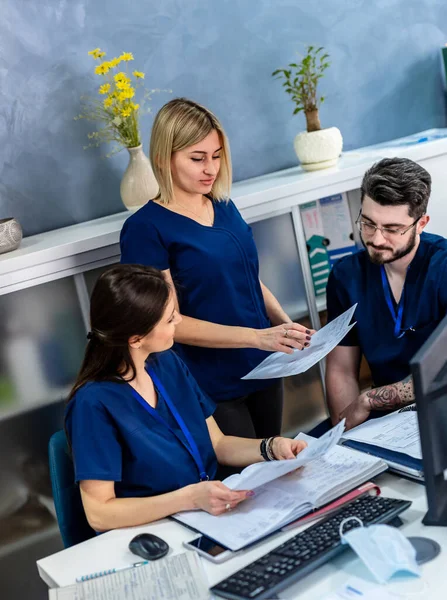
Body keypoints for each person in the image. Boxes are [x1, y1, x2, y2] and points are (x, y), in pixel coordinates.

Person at [120, 98, 314, 440]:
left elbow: (248, 279)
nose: (211, 169)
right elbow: (168, 322)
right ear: (165, 158)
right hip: (208, 383)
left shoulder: (224, 206)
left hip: (264, 365)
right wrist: (257, 337)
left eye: (217, 156)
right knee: (243, 481)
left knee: (276, 467)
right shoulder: (145, 229)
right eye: (197, 159)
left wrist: (284, 323)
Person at [64, 265, 307, 532]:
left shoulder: (168, 363)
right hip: (156, 529)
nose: (179, 321)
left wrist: (271, 448)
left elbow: (218, 443)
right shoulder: (92, 405)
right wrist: (189, 498)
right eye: (169, 319)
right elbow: (99, 513)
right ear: (136, 339)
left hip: (208, 513)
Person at [325, 157, 447, 431]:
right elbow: (341, 368)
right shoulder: (346, 277)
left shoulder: (441, 268)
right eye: (368, 223)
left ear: (421, 223)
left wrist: (370, 400)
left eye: (392, 229)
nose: (377, 239)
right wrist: (345, 432)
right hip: (384, 423)